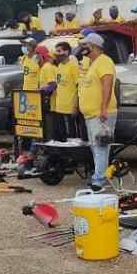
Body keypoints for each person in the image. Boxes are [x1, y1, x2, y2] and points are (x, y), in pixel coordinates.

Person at [77, 32, 117, 190]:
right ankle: (99, 176)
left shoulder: (104, 61)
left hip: (101, 113)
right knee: (96, 147)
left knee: (101, 147)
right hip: (90, 114)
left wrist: (104, 108)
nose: (82, 49)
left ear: (94, 46)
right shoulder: (92, 63)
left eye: (84, 46)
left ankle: (98, 181)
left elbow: (107, 84)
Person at [51, 41, 79, 141]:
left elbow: (78, 87)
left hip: (69, 107)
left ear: (66, 52)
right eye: (56, 51)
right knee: (62, 136)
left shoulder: (73, 66)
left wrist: (75, 106)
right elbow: (59, 84)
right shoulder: (59, 66)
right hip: (59, 107)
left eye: (59, 51)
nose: (56, 54)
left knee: (72, 136)